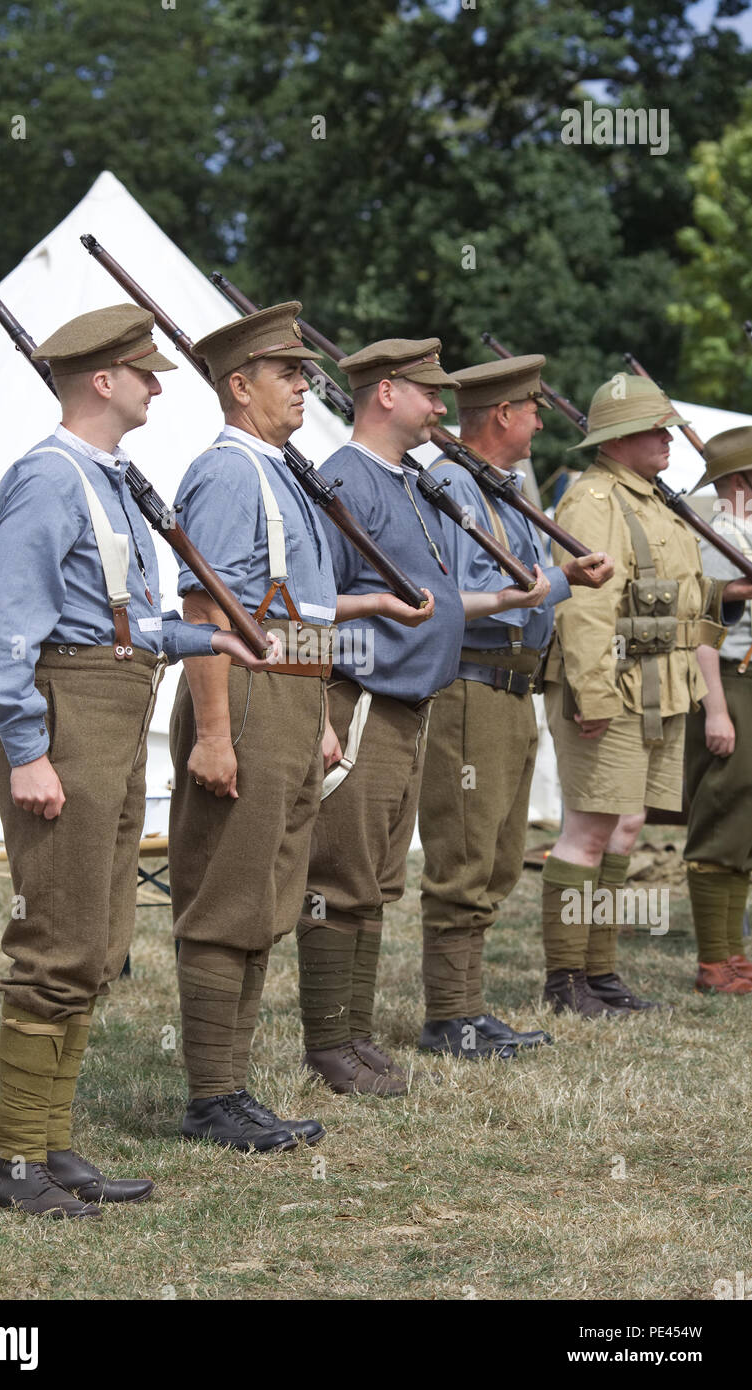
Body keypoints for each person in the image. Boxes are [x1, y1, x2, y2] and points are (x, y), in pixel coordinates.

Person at [0, 304, 270, 1218]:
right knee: (55, 943)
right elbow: (3, 629)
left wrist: (200, 635)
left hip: (111, 708)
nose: (156, 385)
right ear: (102, 381)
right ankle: (16, 1162)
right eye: (144, 373)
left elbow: (116, 617)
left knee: (95, 945)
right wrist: (28, 749)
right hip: (66, 719)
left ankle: (53, 1149)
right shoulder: (51, 478)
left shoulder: (105, 480)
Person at [168, 305, 434, 1150]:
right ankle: (213, 1096)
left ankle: (231, 1088)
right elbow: (207, 608)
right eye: (288, 374)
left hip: (288, 692)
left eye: (306, 374)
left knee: (266, 899)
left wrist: (318, 710)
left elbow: (300, 608)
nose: (305, 386)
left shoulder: (278, 472)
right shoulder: (226, 471)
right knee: (228, 897)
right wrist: (214, 734)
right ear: (238, 385)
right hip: (242, 696)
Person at [297, 339, 552, 1093]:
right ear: (383, 393)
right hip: (364, 697)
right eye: (426, 392)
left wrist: (502, 601)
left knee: (376, 881)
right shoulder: (347, 478)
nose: (442, 406)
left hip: (409, 701)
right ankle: (328, 1042)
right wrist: (320, 706)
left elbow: (432, 599)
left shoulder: (408, 481)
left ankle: (357, 1034)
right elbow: (313, 601)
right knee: (338, 876)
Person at [417, 356, 614, 1059]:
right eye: (533, 406)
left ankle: (465, 1007)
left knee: (497, 858)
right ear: (502, 413)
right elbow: (473, 589)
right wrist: (556, 580)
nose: (541, 418)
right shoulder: (448, 486)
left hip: (508, 687)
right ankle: (449, 1016)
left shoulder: (500, 490)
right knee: (465, 855)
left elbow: (518, 587)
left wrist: (560, 581)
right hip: (470, 684)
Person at [540, 374, 752, 1016]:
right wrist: (595, 695)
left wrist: (728, 595)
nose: (669, 439)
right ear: (622, 437)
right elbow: (586, 611)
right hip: (616, 691)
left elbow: (684, 600)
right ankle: (566, 980)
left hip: (661, 688)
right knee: (586, 832)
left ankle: (599, 970)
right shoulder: (594, 500)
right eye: (657, 429)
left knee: (626, 830)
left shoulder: (657, 502)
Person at [683, 428, 752, 993]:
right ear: (738, 480)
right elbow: (701, 633)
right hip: (731, 681)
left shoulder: (743, 533)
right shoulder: (717, 536)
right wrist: (716, 710)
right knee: (721, 816)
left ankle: (734, 955)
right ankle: (714, 960)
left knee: (744, 823)